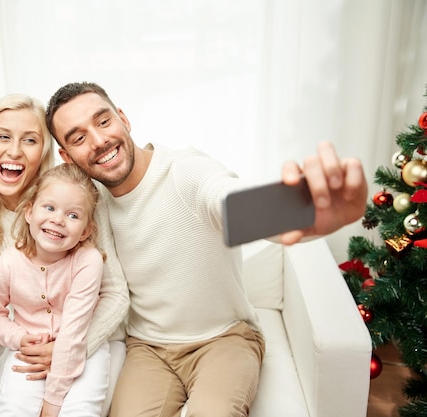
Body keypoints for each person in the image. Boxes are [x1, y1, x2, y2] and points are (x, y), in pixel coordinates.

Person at [44, 81, 368, 417]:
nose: (99, 141)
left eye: (103, 121)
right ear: (67, 158)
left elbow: (227, 200)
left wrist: (301, 213)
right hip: (148, 348)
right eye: (78, 138)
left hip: (225, 339)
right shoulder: (89, 206)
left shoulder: (184, 170)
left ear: (123, 118)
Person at [0, 94, 128, 399]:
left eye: (29, 140)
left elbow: (115, 294)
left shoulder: (76, 199)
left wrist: (67, 349)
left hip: (95, 343)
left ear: (43, 152)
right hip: (36, 349)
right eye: (3, 137)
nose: (14, 151)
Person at [0, 163, 108, 417]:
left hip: (81, 347)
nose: (58, 220)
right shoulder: (6, 264)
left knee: (81, 411)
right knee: (12, 410)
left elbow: (73, 334)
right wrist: (19, 338)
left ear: (85, 231)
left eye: (73, 215)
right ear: (29, 212)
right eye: (49, 208)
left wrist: (51, 404)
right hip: (29, 351)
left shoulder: (87, 261)